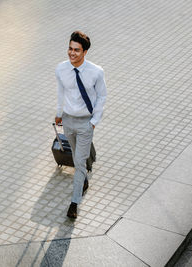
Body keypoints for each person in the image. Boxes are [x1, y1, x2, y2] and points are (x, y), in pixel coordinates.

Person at [55, 31, 107, 219]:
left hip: (86, 123)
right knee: (77, 157)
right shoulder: (61, 69)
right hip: (68, 121)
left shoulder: (96, 72)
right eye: (70, 48)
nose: (72, 53)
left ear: (84, 52)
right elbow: (61, 92)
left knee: (79, 161)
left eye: (76, 50)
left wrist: (93, 123)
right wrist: (59, 114)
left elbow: (102, 96)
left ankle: (74, 203)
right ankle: (83, 179)